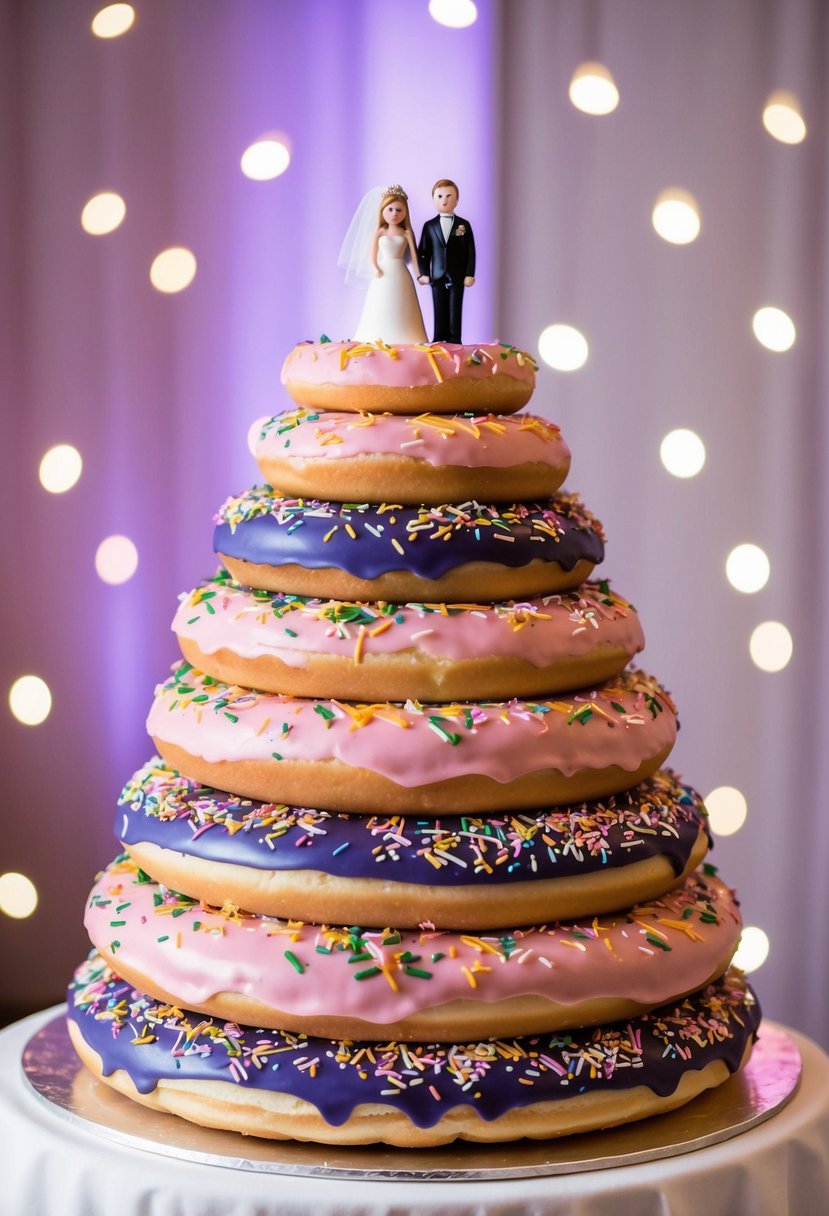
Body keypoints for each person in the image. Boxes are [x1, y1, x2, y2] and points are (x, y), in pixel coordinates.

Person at [340, 186, 427, 344]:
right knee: (381, 304)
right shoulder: (379, 232)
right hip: (382, 273)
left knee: (402, 305)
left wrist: (419, 275)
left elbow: (414, 257)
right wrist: (376, 268)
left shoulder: (406, 233)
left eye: (399, 210)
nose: (394, 213)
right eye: (391, 209)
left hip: (401, 272)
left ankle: (408, 335)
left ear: (405, 211)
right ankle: (376, 335)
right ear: (382, 211)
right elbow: (372, 255)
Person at [417, 179, 475, 344]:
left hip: (457, 274)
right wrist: (423, 274)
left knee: (455, 307)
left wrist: (469, 273)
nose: (444, 200)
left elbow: (470, 252)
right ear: (433, 199)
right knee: (439, 307)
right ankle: (439, 338)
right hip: (437, 275)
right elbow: (423, 253)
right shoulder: (429, 226)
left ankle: (455, 339)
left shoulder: (464, 225)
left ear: (457, 199)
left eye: (449, 196)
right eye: (440, 196)